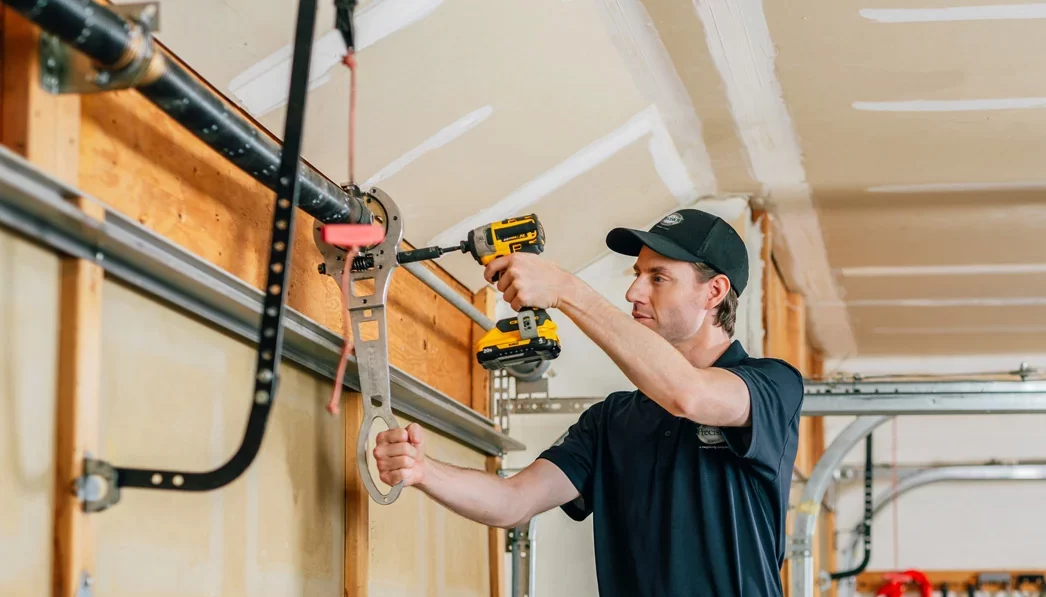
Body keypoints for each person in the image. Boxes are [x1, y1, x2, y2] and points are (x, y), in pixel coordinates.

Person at [373, 208, 805, 596]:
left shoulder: (771, 385)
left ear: (714, 293)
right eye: (637, 274)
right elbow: (512, 502)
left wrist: (568, 291)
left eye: (658, 277)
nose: (634, 292)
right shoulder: (612, 419)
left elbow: (688, 394)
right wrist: (423, 471)